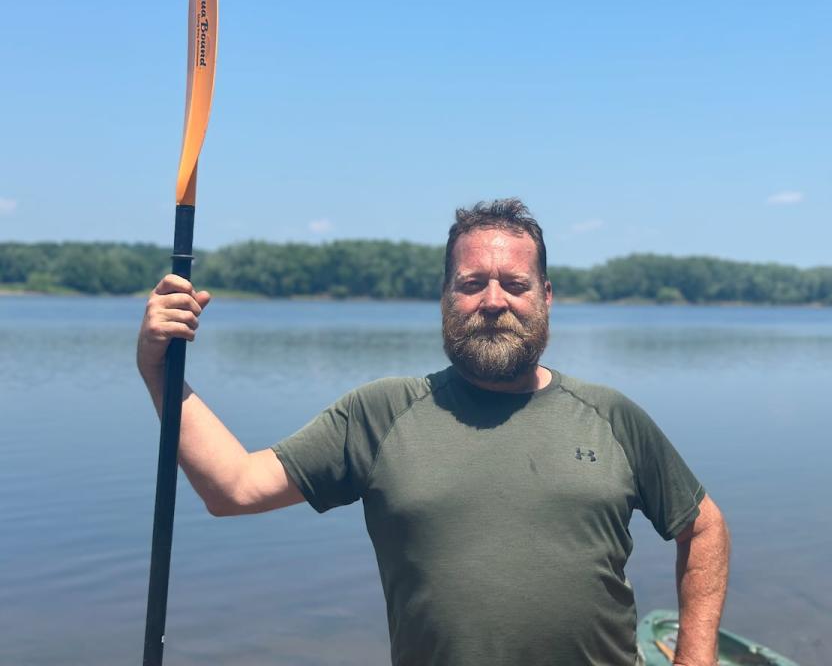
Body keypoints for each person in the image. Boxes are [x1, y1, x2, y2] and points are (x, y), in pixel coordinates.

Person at [137, 198, 730, 666]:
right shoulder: (381, 413)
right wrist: (158, 368)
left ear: (546, 298)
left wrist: (695, 657)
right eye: (471, 283)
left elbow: (702, 525)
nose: (493, 301)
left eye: (515, 285)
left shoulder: (610, 416)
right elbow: (233, 487)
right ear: (445, 297)